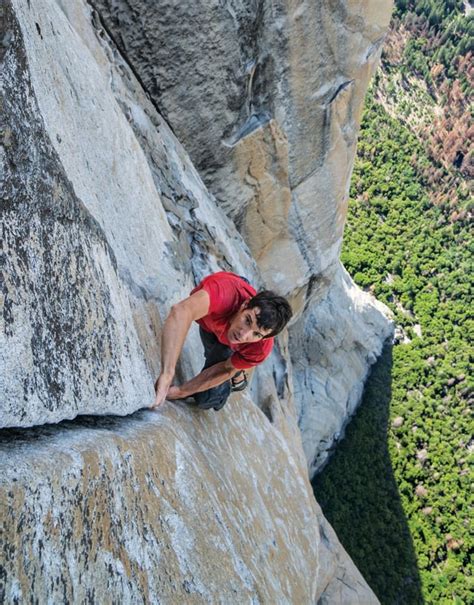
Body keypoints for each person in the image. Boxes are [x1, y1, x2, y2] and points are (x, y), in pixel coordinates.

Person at [151, 271, 292, 411]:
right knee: (216, 341)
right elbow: (181, 311)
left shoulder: (260, 348)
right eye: (248, 320)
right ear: (244, 305)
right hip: (220, 314)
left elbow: (226, 368)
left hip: (230, 345)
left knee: (206, 397)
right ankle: (243, 287)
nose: (244, 334)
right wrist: (167, 373)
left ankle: (235, 379)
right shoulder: (224, 294)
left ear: (265, 337)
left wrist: (182, 391)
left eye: (256, 334)